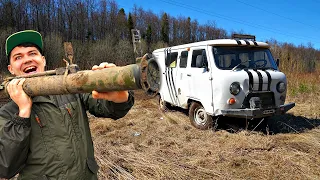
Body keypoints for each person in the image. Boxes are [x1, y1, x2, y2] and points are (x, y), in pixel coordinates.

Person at [0, 30, 134, 179]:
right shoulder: (6, 114)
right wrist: (23, 113)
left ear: (43, 60)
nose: (27, 60)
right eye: (18, 57)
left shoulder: (70, 89)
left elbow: (109, 109)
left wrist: (120, 96)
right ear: (11, 69)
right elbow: (6, 167)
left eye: (32, 53)